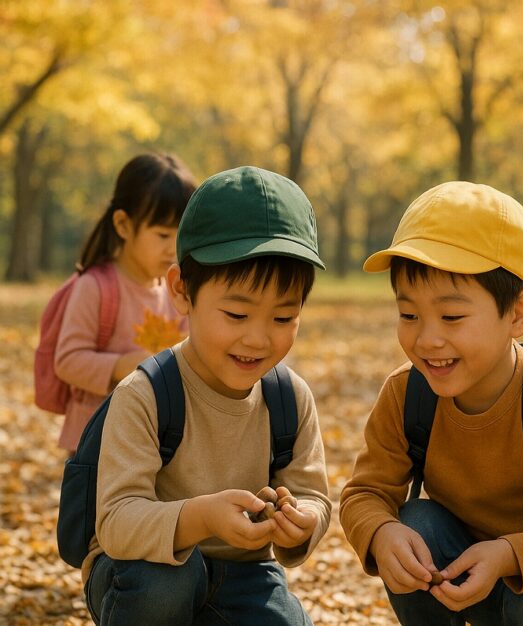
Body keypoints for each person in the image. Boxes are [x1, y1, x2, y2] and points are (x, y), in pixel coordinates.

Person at [340, 181, 523, 625]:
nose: (427, 338)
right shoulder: (407, 394)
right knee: (413, 523)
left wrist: (508, 554)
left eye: (452, 316)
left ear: (519, 313)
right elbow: (365, 493)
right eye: (408, 314)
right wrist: (381, 532)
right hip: (461, 562)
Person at [83, 166, 332, 625]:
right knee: (166, 584)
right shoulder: (147, 394)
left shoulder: (288, 398)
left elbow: (314, 496)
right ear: (182, 290)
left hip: (244, 572)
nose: (258, 340)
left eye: (283, 318)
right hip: (142, 571)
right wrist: (201, 518)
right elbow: (117, 523)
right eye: (237, 314)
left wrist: (303, 522)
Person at [53, 153, 197, 454]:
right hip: (95, 440)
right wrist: (123, 365)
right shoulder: (95, 287)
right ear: (123, 224)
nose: (173, 248)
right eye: (162, 234)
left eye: (180, 235)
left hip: (153, 438)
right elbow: (67, 361)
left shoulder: (176, 291)